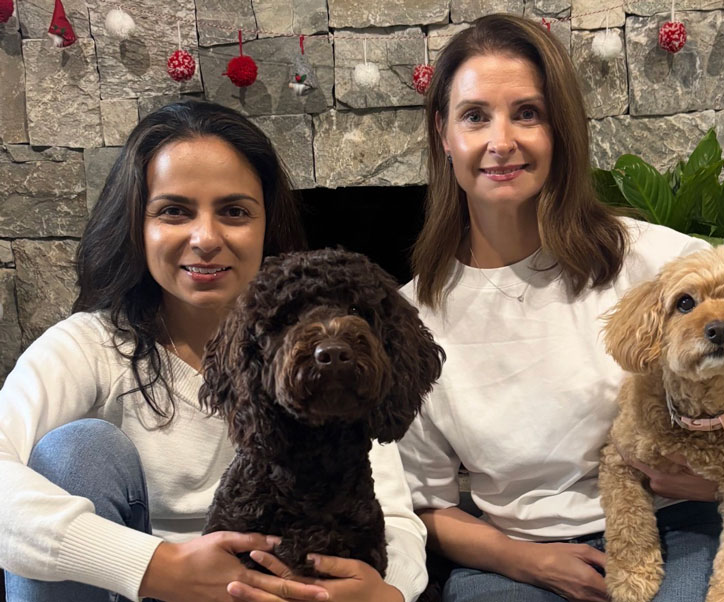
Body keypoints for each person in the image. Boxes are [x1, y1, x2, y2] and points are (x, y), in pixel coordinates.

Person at [397, 14, 724, 602]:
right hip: (512, 553)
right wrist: (527, 562)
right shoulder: (413, 317)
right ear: (443, 132)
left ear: (560, 128)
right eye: (475, 115)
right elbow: (427, 505)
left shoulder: (661, 262)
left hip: (680, 521)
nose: (501, 140)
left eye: (527, 113)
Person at [0, 100, 427, 602]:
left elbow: (396, 519)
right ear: (137, 225)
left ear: (267, 223)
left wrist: (386, 593)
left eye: (234, 211)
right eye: (175, 211)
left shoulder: (332, 364)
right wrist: (156, 567)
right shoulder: (88, 347)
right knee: (78, 451)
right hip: (135, 590)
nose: (205, 238)